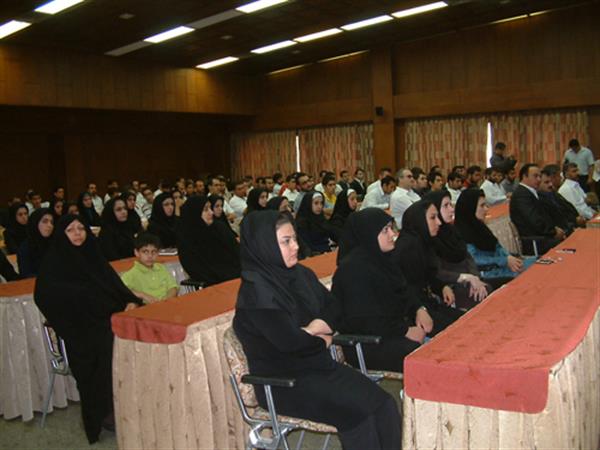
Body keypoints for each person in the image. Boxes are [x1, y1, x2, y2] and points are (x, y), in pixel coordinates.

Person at [233, 210, 401, 450]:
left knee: (384, 404)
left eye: (295, 239)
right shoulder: (255, 294)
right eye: (286, 241)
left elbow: (336, 306)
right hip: (283, 382)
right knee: (357, 416)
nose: (296, 247)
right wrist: (322, 340)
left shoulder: (300, 274)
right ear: (264, 245)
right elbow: (291, 343)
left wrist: (315, 328)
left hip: (319, 367)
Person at [34, 215, 141, 444]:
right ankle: (105, 412)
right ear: (62, 234)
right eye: (70, 229)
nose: (77, 233)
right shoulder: (54, 263)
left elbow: (116, 288)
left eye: (81, 228)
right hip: (81, 330)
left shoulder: (94, 257)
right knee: (104, 347)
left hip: (110, 321)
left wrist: (130, 301)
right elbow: (45, 297)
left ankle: (132, 407)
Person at [333, 208, 461, 373]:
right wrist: (405, 331)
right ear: (368, 234)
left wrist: (419, 309)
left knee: (450, 336)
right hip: (368, 342)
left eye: (391, 228)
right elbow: (365, 320)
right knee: (430, 359)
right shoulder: (352, 271)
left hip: (392, 329)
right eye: (385, 230)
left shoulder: (383, 260)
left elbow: (404, 291)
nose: (393, 234)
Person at [424, 190, 492, 310]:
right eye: (446, 206)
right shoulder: (430, 238)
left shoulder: (452, 231)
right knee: (481, 296)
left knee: (489, 289)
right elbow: (437, 273)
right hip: (450, 286)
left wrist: (475, 278)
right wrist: (466, 278)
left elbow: (468, 257)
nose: (451, 209)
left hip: (470, 280)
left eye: (451, 204)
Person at [455, 189, 535, 280]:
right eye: (482, 206)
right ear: (470, 208)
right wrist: (503, 260)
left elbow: (497, 246)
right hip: (487, 274)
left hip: (501, 266)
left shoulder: (479, 226)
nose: (486, 209)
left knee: (536, 262)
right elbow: (474, 260)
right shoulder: (461, 233)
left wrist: (508, 257)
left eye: (486, 205)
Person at [176, 196, 240, 286]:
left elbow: (237, 252)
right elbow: (197, 270)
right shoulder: (187, 238)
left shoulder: (219, 228)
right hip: (215, 283)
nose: (211, 212)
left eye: (210, 208)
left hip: (238, 275)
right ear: (195, 213)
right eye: (206, 210)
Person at [510, 163, 565, 255]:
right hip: (533, 241)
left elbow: (543, 216)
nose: (539, 179)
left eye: (540, 176)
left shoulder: (530, 192)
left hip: (541, 236)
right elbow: (534, 221)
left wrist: (554, 228)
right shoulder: (521, 194)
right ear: (524, 176)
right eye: (535, 176)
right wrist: (553, 232)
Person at [121, 232, 178, 304]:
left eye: (154, 252)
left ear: (158, 253)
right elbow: (121, 291)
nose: (150, 256)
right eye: (145, 252)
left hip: (166, 304)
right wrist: (142, 295)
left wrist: (166, 300)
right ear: (136, 252)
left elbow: (173, 287)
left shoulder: (161, 268)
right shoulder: (131, 274)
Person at [539, 164, 585, 232]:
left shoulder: (553, 193)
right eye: (546, 182)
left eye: (550, 182)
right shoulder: (540, 200)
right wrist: (575, 222)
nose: (550, 184)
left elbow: (569, 207)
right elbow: (558, 219)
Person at [17, 208, 54, 278]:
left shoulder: (55, 244)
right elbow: (26, 274)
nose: (49, 225)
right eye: (45, 221)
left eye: (52, 222)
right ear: (35, 223)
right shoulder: (26, 247)